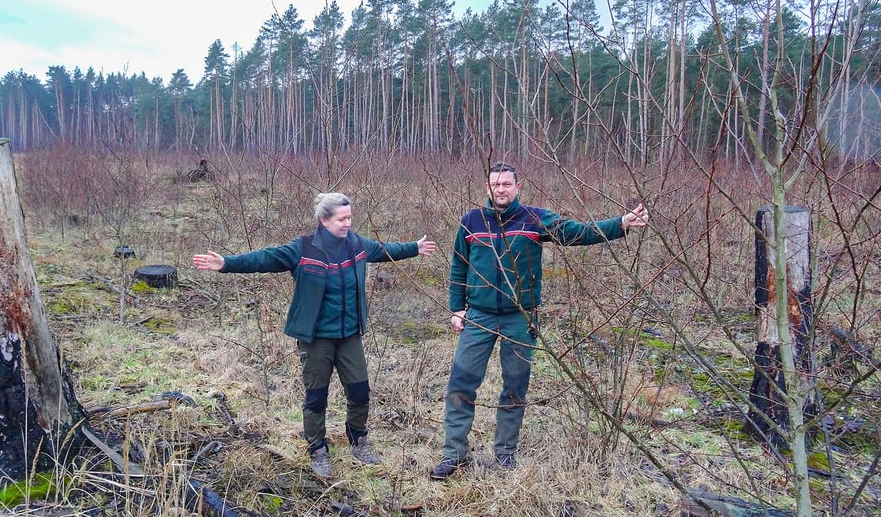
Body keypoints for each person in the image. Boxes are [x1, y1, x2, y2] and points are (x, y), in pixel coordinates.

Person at [193, 192, 437, 479]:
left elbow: (385, 250)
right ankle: (318, 450)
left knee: (360, 391)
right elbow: (265, 258)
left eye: (350, 217)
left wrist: (414, 248)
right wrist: (227, 263)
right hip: (316, 337)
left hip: (349, 336)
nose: (348, 223)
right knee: (316, 397)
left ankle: (358, 441)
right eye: (342, 219)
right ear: (324, 220)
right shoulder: (302, 249)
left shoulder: (357, 245)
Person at [431, 161, 649, 479]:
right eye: (495, 184)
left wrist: (621, 224)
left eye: (507, 184)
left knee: (514, 387)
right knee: (461, 384)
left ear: (517, 188)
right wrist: (457, 307)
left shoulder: (535, 218)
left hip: (520, 317)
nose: (501, 189)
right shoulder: (472, 221)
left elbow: (578, 233)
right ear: (487, 188)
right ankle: (454, 454)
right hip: (478, 317)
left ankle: (505, 454)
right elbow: (458, 266)